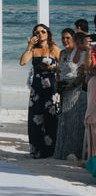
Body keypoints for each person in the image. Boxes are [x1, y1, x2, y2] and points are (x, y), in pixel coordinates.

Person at [19, 23, 61, 159]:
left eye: (43, 31)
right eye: (37, 32)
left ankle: (50, 150)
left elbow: (63, 66)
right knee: (35, 118)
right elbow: (22, 62)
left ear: (48, 33)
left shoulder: (54, 48)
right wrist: (29, 46)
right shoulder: (33, 49)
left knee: (51, 117)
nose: (40, 34)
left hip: (51, 86)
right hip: (37, 87)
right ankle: (36, 150)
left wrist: (52, 68)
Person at [54, 29, 87, 160]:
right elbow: (60, 70)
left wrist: (72, 85)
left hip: (76, 89)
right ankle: (64, 151)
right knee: (64, 121)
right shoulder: (62, 53)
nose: (65, 40)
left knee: (75, 122)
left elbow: (82, 73)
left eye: (68, 38)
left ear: (73, 39)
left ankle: (74, 152)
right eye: (63, 38)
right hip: (63, 89)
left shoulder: (80, 52)